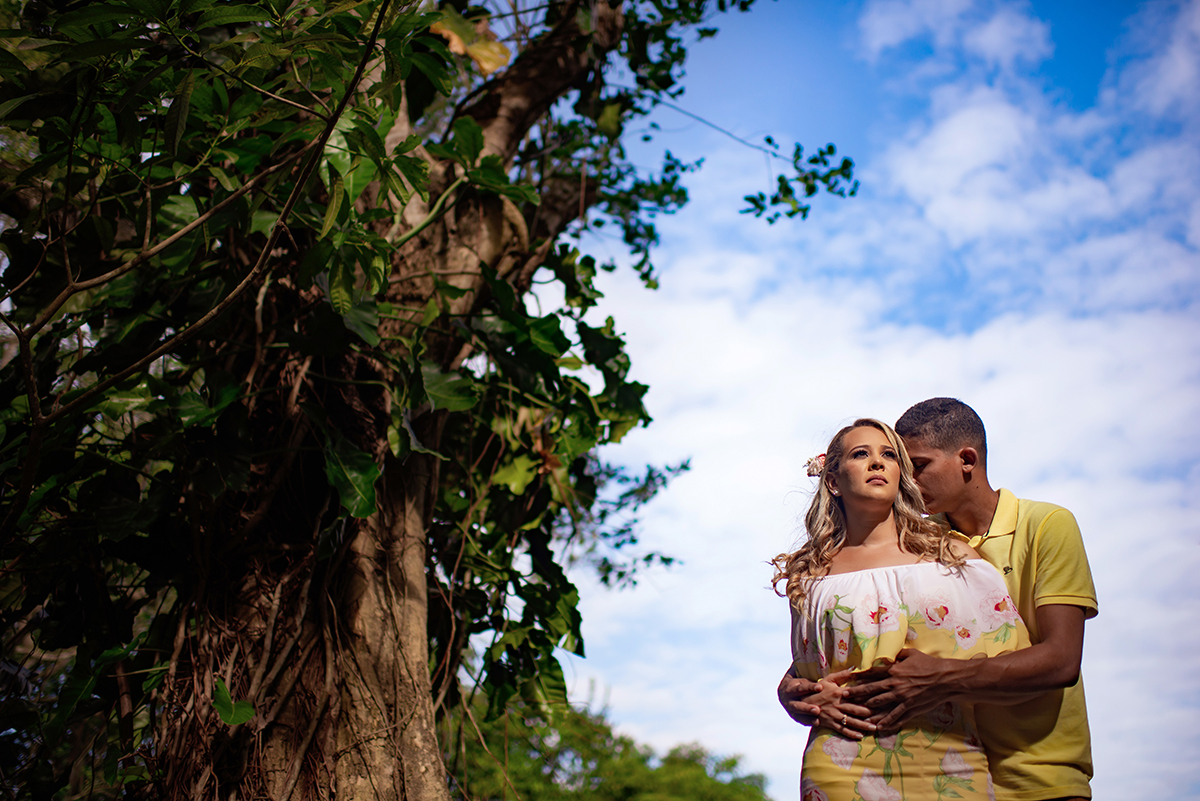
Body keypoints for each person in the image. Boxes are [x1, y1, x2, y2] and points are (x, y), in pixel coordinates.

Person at [778, 399, 1097, 801]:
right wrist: (793, 687)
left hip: (1031, 772)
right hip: (933, 752)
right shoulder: (924, 545)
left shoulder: (1038, 528)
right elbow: (861, 635)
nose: (904, 475)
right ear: (834, 480)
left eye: (914, 465)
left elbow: (1061, 661)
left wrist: (938, 679)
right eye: (869, 456)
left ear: (967, 460)